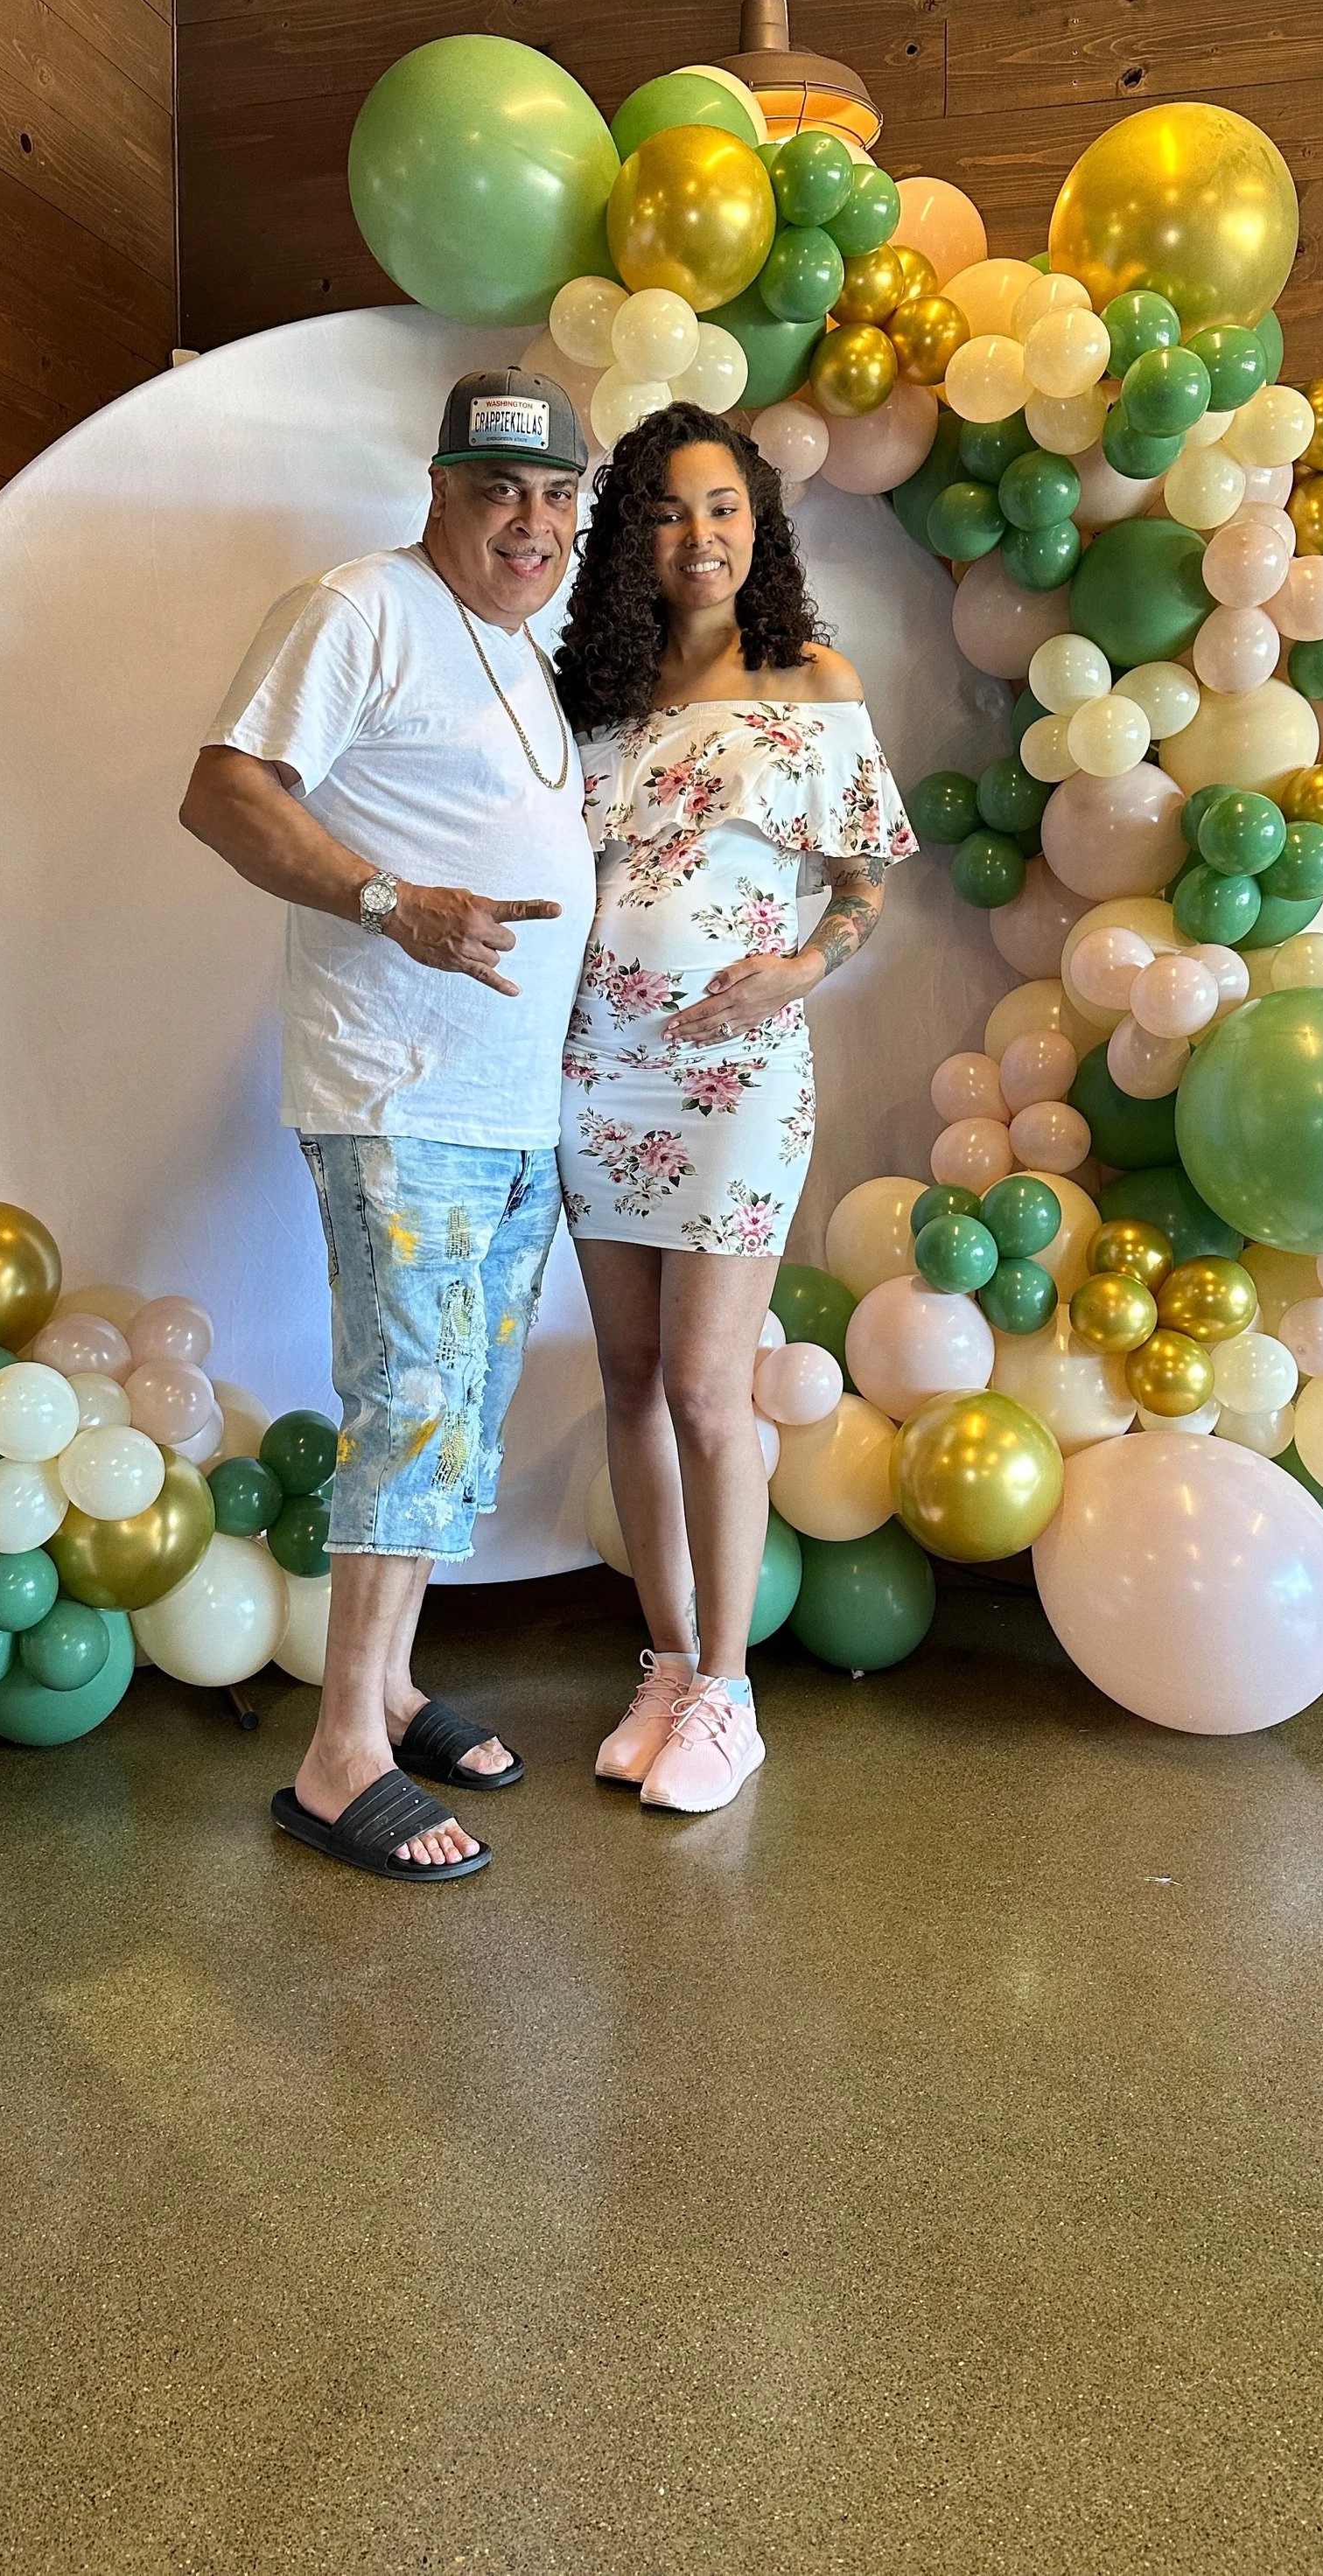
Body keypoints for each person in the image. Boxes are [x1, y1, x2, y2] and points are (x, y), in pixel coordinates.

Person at [180, 367, 592, 1881]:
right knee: (409, 1396)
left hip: (504, 1109)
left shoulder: (515, 648)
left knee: (456, 1411)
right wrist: (387, 902)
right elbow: (225, 792)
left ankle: (393, 1684)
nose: (530, 523)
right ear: (436, 488)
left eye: (556, 496)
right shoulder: (359, 605)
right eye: (500, 491)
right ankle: (338, 1757)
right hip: (397, 1095)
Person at [556, 401, 915, 1815]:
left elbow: (868, 877)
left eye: (720, 508)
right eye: (662, 511)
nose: (695, 536)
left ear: (756, 525)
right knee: (633, 1384)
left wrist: (795, 974)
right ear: (629, 539)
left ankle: (730, 1693)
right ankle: (664, 1662)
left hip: (734, 1081)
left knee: (710, 1388)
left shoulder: (809, 680)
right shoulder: (592, 695)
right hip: (594, 1073)